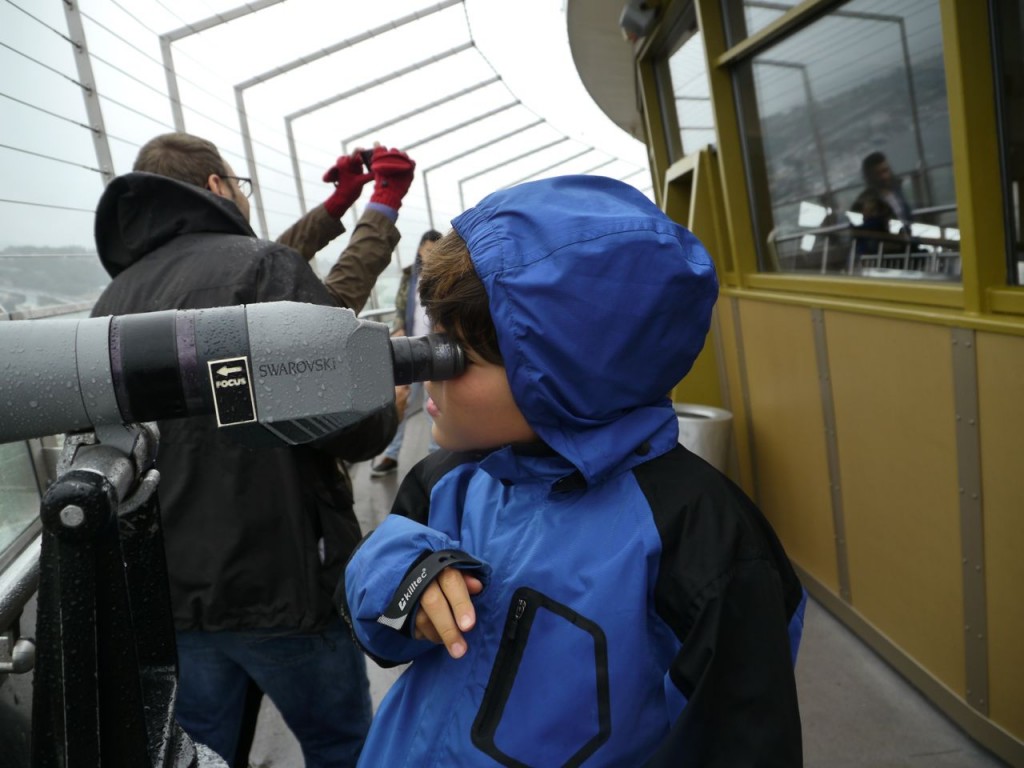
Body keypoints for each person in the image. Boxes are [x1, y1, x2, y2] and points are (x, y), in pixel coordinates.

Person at [341, 175, 807, 766]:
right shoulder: (447, 480)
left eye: (457, 354)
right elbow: (374, 618)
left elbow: (741, 743)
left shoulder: (699, 538)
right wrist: (398, 576)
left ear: (564, 375)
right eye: (433, 336)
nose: (427, 369)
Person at [90, 131, 416, 768]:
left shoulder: (111, 305)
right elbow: (346, 412)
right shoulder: (261, 270)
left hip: (174, 598)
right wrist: (387, 411)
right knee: (343, 746)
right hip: (284, 582)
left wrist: (339, 209)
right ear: (215, 187)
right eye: (239, 184)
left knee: (205, 753)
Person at [370, 228, 443, 477]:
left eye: (437, 250)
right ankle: (391, 454)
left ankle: (438, 455)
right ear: (421, 248)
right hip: (411, 346)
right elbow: (402, 307)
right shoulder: (409, 277)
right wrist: (399, 327)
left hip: (435, 348)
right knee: (400, 399)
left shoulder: (445, 274)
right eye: (429, 249)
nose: (431, 255)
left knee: (432, 404)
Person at [850, 151, 915, 257]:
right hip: (885, 254)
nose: (884, 177)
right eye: (879, 174)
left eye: (886, 171)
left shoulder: (896, 192)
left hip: (905, 247)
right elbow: (865, 234)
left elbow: (907, 217)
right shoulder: (864, 201)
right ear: (870, 177)